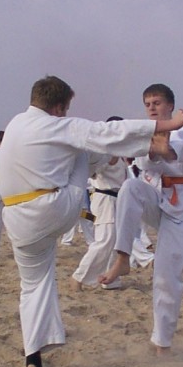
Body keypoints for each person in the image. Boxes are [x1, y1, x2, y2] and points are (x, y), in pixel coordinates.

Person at [0, 76, 183, 367]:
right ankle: (143, 148)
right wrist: (166, 125)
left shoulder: (15, 125)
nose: (65, 115)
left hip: (17, 219)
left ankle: (33, 358)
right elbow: (105, 131)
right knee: (84, 147)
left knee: (32, 285)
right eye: (65, 110)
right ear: (58, 107)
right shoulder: (56, 125)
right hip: (55, 209)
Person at [99, 83, 183, 355]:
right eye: (147, 104)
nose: (151, 108)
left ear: (170, 106)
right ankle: (123, 258)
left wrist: (162, 141)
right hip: (156, 197)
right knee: (130, 188)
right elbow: (146, 161)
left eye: (157, 103)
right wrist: (151, 143)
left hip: (182, 206)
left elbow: (173, 152)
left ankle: (162, 342)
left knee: (166, 274)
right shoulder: (145, 132)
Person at [70, 119, 128, 289]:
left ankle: (110, 279)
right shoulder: (104, 152)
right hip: (105, 199)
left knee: (115, 241)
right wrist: (108, 158)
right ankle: (78, 277)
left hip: (117, 199)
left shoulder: (121, 153)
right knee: (104, 240)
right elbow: (92, 171)